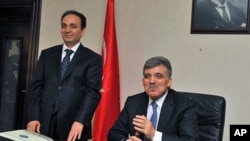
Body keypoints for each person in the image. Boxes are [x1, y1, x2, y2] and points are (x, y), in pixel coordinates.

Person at [26, 10, 102, 141]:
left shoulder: (92, 59)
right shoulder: (47, 55)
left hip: (73, 125)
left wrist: (80, 121)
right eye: (63, 26)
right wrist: (33, 116)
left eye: (73, 26)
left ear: (83, 31)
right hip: (43, 123)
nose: (67, 30)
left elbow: (92, 93)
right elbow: (35, 88)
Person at [108, 56, 199, 141]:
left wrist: (154, 135)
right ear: (143, 82)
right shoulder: (133, 102)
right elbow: (114, 134)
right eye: (147, 76)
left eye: (158, 76)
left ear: (169, 82)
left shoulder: (184, 104)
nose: (152, 81)